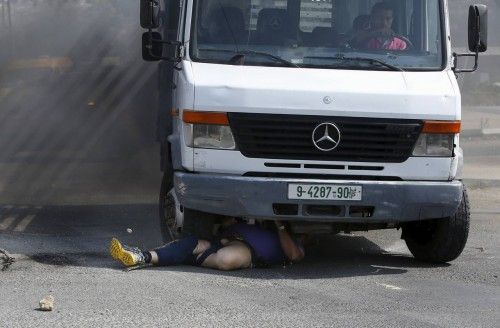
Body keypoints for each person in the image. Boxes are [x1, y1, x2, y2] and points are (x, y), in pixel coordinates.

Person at [110, 220, 305, 271]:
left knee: (225, 260)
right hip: (225, 239)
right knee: (192, 244)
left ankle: (170, 255)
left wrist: (279, 223)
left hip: (249, 252)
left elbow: (295, 255)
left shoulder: (292, 241)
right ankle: (140, 256)